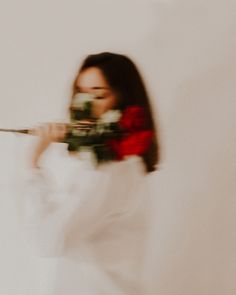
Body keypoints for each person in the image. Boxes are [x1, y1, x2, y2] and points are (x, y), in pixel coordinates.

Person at [22, 52, 160, 295]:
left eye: (98, 94)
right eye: (80, 93)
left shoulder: (112, 170)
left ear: (123, 99)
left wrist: (33, 166)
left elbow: (49, 240)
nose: (84, 105)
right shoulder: (117, 165)